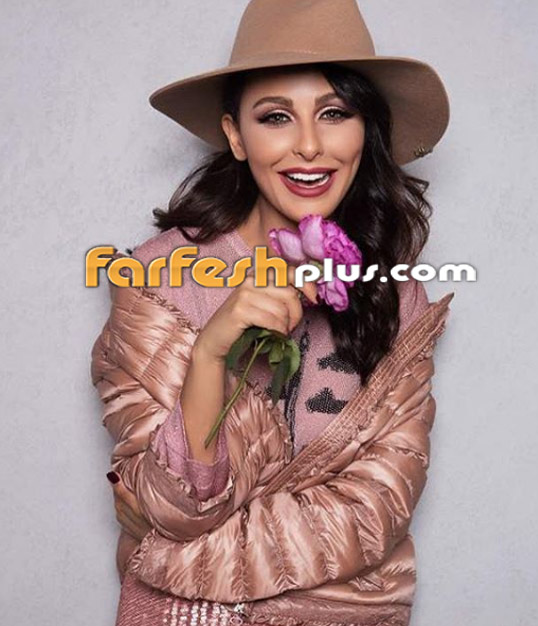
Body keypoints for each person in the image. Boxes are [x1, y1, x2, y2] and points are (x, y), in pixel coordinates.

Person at [91, 1, 453, 625]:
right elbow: (173, 504)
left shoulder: (398, 297)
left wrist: (171, 547)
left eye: (334, 113)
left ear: (366, 130)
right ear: (236, 135)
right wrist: (211, 353)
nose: (309, 145)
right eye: (276, 116)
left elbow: (378, 509)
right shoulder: (156, 278)